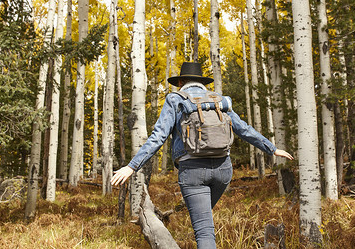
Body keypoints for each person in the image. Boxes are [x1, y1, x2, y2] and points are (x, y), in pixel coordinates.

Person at [111, 62, 293, 248]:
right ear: (201, 82)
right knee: (204, 221)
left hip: (193, 172)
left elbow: (158, 137)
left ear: (181, 82)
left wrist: (131, 166)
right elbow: (243, 129)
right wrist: (272, 149)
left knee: (204, 231)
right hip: (223, 170)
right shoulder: (218, 100)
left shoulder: (175, 99)